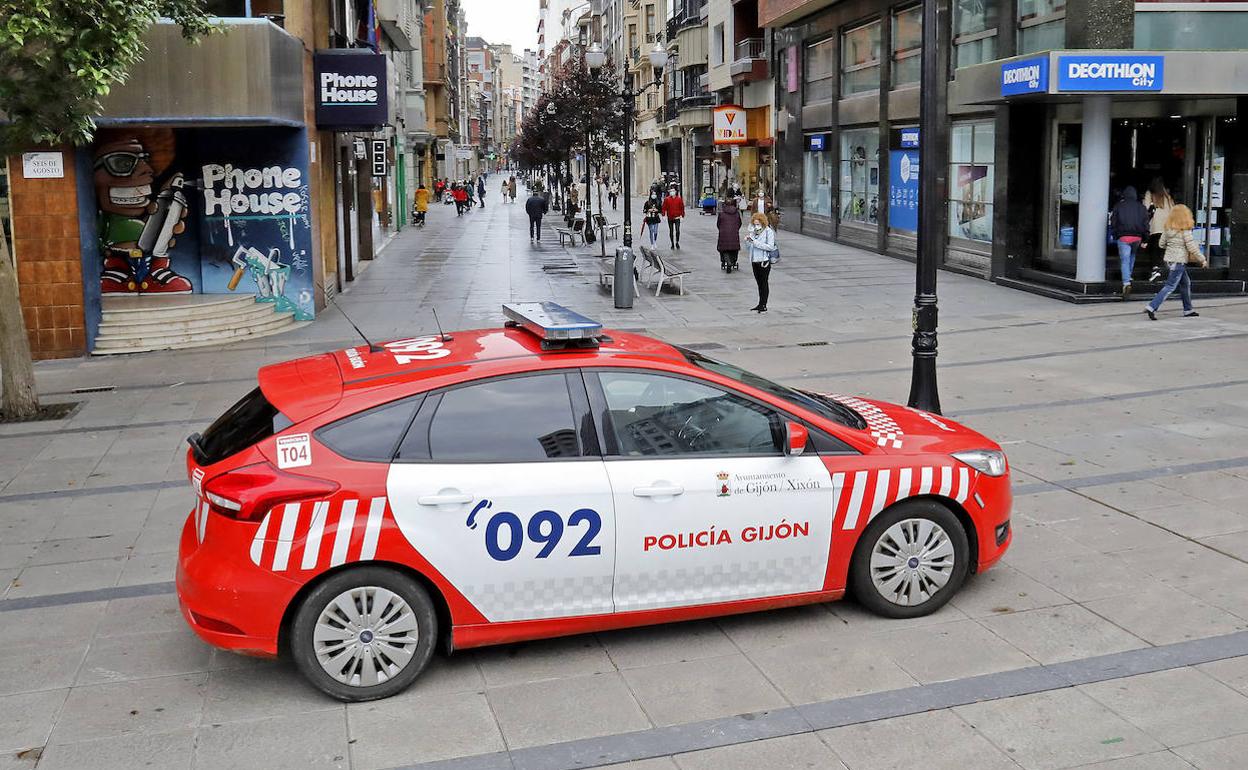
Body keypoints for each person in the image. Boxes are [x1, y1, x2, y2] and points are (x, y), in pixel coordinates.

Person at [1145, 204, 1207, 320]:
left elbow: (1161, 244)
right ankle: (1152, 306)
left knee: (1185, 283)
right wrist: (1202, 259)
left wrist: (1172, 245)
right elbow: (1192, 248)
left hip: (1169, 261)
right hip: (1179, 262)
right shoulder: (1185, 231)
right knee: (1170, 286)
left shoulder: (1168, 230)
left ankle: (1188, 309)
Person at [1110, 186, 1150, 297]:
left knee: (1124, 260)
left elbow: (1113, 222)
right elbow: (1146, 224)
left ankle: (1126, 282)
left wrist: (1115, 234)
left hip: (1123, 237)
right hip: (1137, 238)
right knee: (1132, 255)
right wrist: (1145, 238)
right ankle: (1129, 275)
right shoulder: (1141, 208)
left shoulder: (1119, 206)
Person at [1142, 177, 1174, 281]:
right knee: (1161, 249)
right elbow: (1173, 210)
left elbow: (1145, 208)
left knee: (1153, 249)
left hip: (1155, 227)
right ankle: (1160, 269)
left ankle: (1155, 269)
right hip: (1166, 228)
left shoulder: (1150, 194)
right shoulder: (1167, 196)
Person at [744, 212, 775, 313]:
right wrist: (748, 241)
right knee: (759, 283)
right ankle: (760, 303)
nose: (756, 226)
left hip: (763, 261)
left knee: (764, 283)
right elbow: (749, 248)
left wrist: (755, 242)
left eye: (758, 224)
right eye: (754, 224)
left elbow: (770, 247)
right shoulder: (753, 233)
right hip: (754, 260)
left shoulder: (768, 232)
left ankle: (763, 304)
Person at [716, 197, 742, 273]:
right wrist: (735, 229)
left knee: (724, 249)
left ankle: (727, 261)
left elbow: (718, 224)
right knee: (734, 248)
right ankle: (733, 261)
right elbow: (739, 223)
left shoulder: (722, 213)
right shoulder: (736, 213)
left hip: (723, 233)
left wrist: (721, 229)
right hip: (734, 233)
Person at [662, 184, 685, 249]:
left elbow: (682, 208)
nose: (672, 192)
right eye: (671, 191)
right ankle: (672, 243)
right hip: (670, 217)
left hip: (677, 217)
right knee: (671, 230)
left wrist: (682, 216)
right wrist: (664, 215)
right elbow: (664, 207)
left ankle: (677, 242)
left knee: (677, 230)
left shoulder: (679, 199)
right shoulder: (667, 199)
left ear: (675, 192)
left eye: (673, 191)